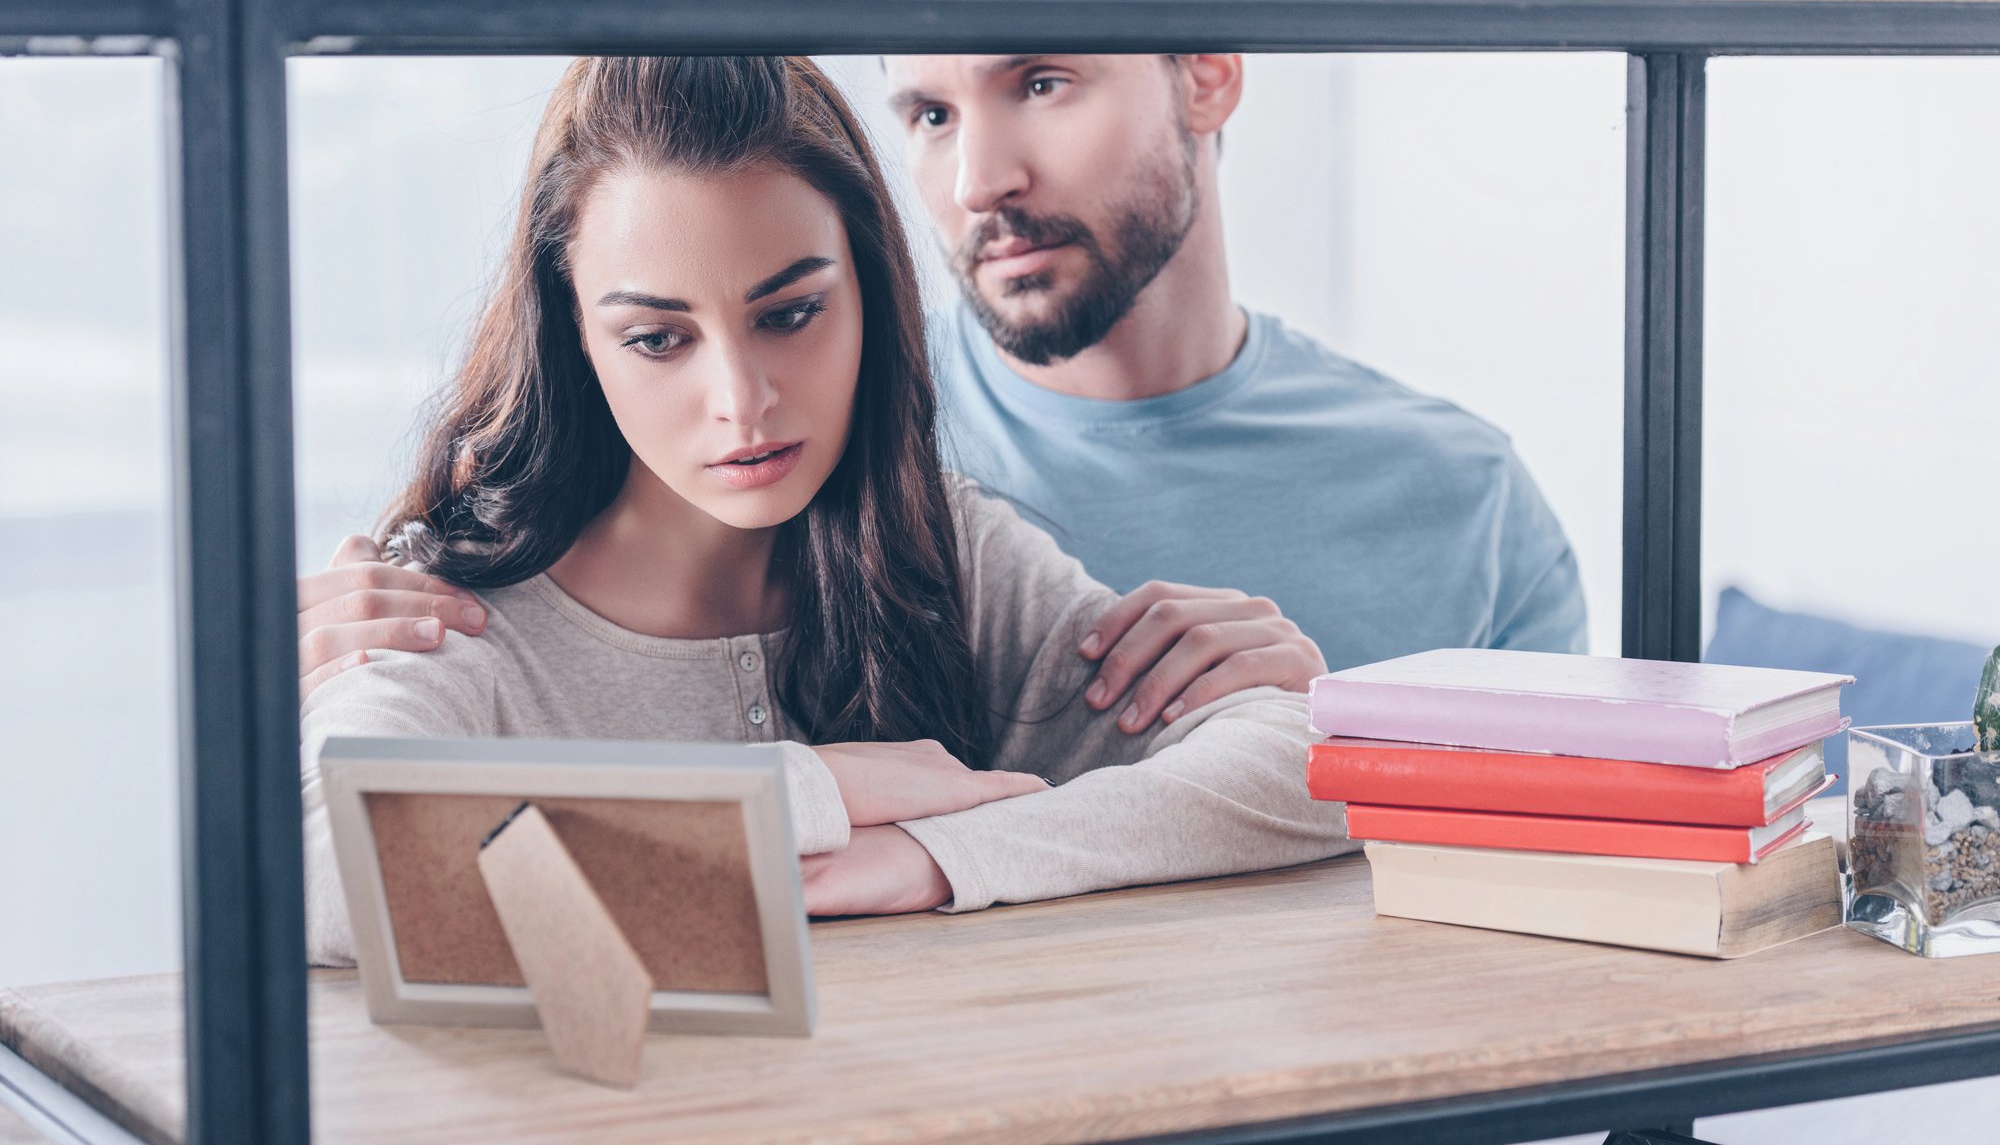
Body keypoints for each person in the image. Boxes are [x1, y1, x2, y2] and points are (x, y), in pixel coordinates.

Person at [297, 0, 1587, 730]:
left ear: (1206, 72)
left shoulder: (1457, 500)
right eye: (927, 113)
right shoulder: (803, 458)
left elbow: (1550, 951)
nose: (979, 179)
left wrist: (1327, 732)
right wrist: (331, 658)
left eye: (1039, 80)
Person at [298, 55, 1344, 962]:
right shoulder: (447, 611)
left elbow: (1303, 771)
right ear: (573, 333)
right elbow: (343, 881)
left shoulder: (941, 553)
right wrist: (807, 794)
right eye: (658, 339)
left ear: (869, 292)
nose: (742, 403)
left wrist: (935, 858)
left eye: (791, 314)